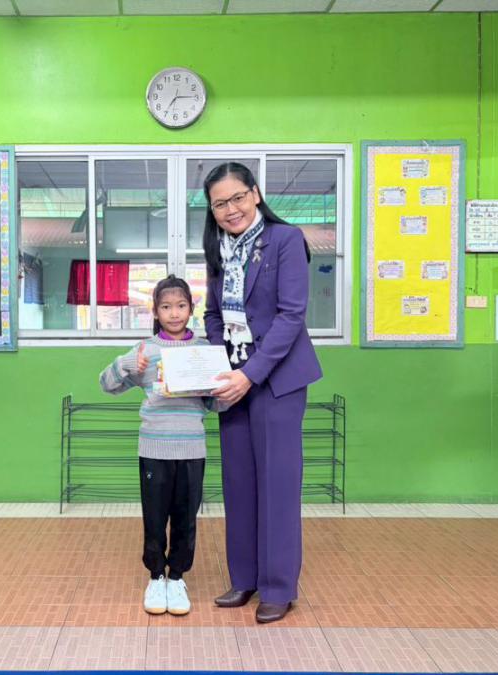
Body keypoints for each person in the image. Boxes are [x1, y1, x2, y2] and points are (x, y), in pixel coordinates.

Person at [202, 162, 322, 623]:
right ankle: (245, 578)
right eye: (219, 204)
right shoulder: (218, 248)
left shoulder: (285, 239)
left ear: (255, 194)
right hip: (232, 380)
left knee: (277, 483)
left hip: (276, 381)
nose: (230, 209)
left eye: (237, 197)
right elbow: (213, 315)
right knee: (239, 483)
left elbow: (292, 316)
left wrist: (249, 374)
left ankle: (278, 586)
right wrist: (222, 366)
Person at [99, 275, 224, 616]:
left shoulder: (204, 351)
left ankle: (177, 578)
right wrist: (127, 365)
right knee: (155, 519)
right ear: (155, 311)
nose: (174, 313)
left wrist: (215, 390)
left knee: (185, 519)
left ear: (191, 308)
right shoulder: (145, 350)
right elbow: (106, 385)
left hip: (192, 450)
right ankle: (156, 577)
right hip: (154, 449)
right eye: (166, 307)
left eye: (181, 306)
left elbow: (220, 405)